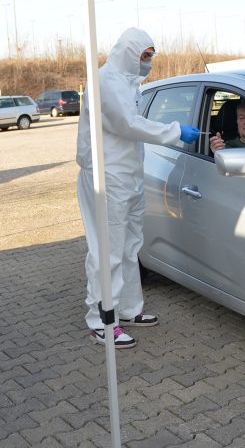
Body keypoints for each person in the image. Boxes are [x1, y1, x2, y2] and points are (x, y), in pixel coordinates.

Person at [76, 27, 199, 349]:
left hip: (128, 175)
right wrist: (175, 131)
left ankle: (129, 309)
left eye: (150, 56)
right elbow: (127, 124)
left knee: (130, 246)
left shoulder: (129, 83)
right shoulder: (105, 81)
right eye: (143, 56)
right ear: (128, 53)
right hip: (107, 176)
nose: (148, 62)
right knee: (108, 250)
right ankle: (101, 321)